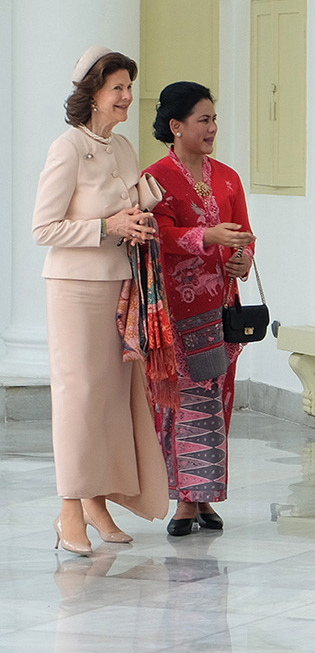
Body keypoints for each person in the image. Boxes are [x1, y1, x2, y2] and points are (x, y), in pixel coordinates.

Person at [32, 46, 169, 555]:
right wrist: (107, 225)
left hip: (121, 283)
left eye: (129, 88)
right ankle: (70, 510)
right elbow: (42, 228)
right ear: (92, 94)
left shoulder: (124, 147)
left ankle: (97, 503)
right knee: (79, 397)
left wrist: (139, 210)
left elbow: (127, 205)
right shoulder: (66, 148)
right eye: (118, 88)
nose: (128, 98)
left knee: (112, 400)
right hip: (74, 289)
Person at [144, 82, 255, 536]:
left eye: (214, 119)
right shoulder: (154, 179)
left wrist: (243, 258)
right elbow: (159, 236)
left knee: (217, 401)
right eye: (203, 119)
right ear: (177, 126)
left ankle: (205, 498)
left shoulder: (228, 177)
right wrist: (207, 237)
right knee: (183, 406)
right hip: (176, 315)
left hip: (222, 311)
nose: (212, 128)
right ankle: (183, 503)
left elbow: (245, 232)